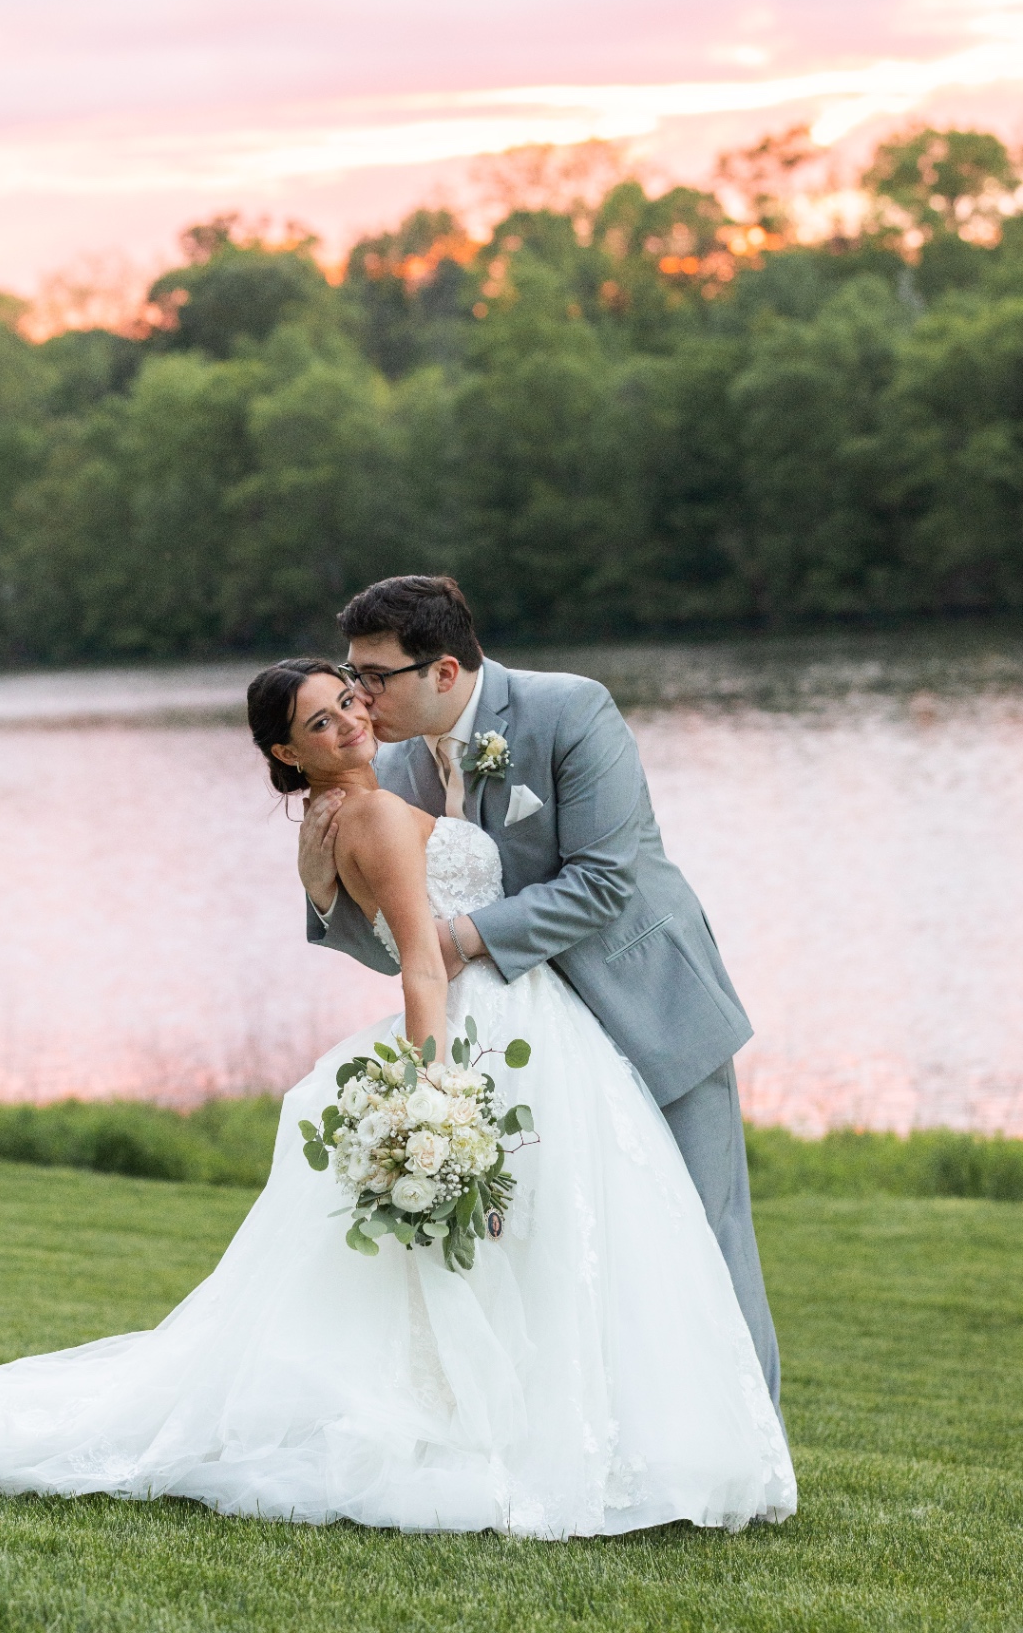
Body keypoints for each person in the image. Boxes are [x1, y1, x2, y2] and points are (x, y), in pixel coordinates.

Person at [0, 656, 795, 1538]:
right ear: (287, 753)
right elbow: (417, 966)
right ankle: (580, 1432)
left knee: (536, 1246)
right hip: (486, 1028)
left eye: (348, 700)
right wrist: (434, 1097)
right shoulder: (366, 810)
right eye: (322, 721)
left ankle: (559, 1417)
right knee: (566, 1235)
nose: (351, 721)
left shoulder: (332, 818)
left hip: (524, 1018)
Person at [301, 574, 782, 1406]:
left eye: (374, 677)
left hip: (648, 1009)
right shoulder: (397, 775)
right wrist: (322, 895)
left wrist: (455, 940)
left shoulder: (571, 711)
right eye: (352, 676)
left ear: (443, 672)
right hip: (531, 1050)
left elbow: (602, 882)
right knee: (574, 1246)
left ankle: (753, 1442)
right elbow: (401, 953)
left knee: (703, 1233)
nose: (359, 697)